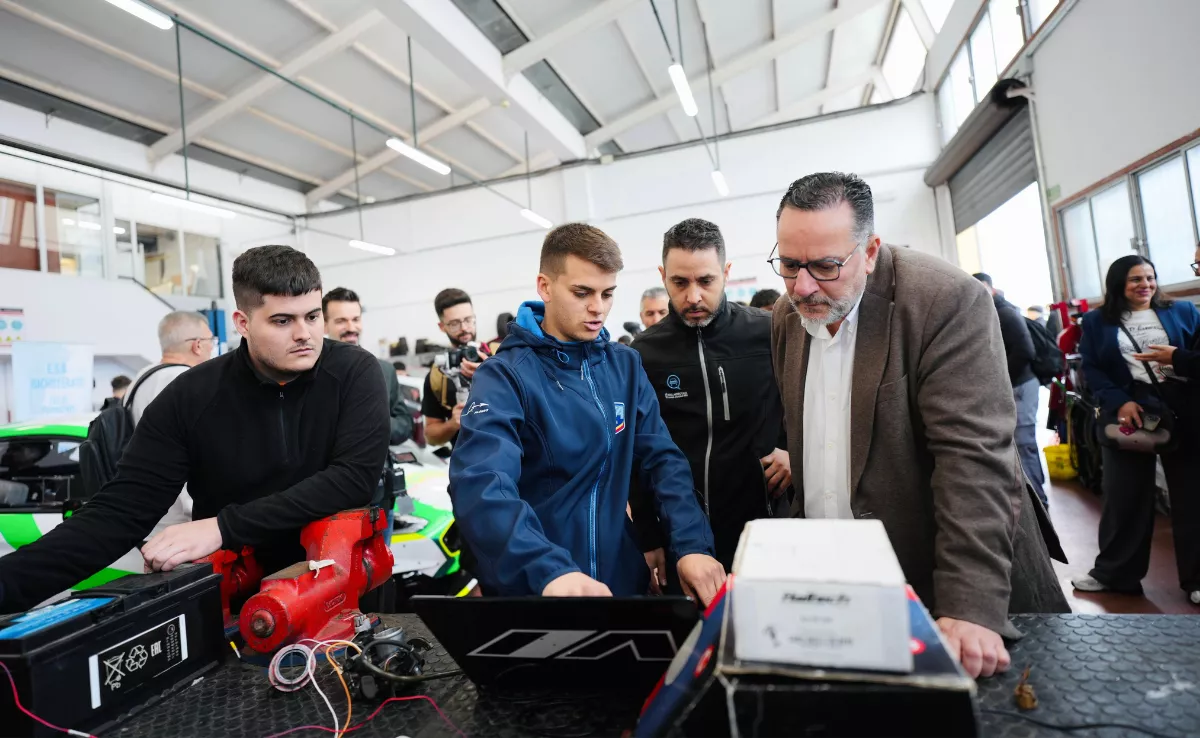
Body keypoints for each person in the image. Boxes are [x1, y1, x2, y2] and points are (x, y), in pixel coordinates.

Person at [769, 172, 1067, 678]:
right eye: (789, 264)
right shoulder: (788, 315)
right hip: (845, 588)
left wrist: (970, 607)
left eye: (824, 265)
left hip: (943, 584)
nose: (802, 285)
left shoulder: (944, 300)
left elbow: (972, 460)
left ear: (870, 250)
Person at [0, 245, 390, 613]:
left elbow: (351, 479)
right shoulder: (190, 396)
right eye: (282, 321)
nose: (305, 334)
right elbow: (118, 514)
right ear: (243, 323)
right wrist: (8, 585)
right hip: (233, 603)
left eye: (312, 316)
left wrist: (224, 527)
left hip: (344, 593)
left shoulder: (355, 372)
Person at [449, 223, 725, 604]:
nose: (598, 307)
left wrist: (693, 545)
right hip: (539, 593)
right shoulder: (505, 376)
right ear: (545, 286)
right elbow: (482, 484)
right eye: (583, 293)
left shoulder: (624, 367)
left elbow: (662, 461)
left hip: (620, 584)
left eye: (607, 293)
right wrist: (549, 571)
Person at [630, 218, 789, 581]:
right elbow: (635, 450)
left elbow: (807, 403)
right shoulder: (643, 354)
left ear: (726, 273)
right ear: (663, 274)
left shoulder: (767, 334)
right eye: (680, 283)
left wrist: (793, 450)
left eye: (706, 281)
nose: (693, 296)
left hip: (766, 526)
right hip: (681, 536)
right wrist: (647, 534)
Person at [1070, 255, 1200, 605]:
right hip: (1129, 413)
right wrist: (1118, 401)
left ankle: (1197, 579)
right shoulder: (1098, 321)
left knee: (1192, 498)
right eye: (1135, 279)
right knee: (1124, 496)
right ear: (1118, 285)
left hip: (1183, 411)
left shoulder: (1185, 312)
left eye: (1150, 277)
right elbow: (1092, 368)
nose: (1145, 285)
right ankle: (1116, 574)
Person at [128, 310, 216, 537]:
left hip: (148, 516)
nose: (211, 348)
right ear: (197, 345)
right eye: (210, 341)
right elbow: (197, 457)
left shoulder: (142, 377)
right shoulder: (188, 383)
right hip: (181, 526)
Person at [973, 273, 1048, 508]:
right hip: (1014, 387)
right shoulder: (990, 310)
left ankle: (1038, 504)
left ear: (988, 287)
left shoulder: (1005, 313)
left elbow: (1025, 351)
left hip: (1021, 387)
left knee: (1024, 444)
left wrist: (1001, 379)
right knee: (1016, 445)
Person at [322, 287, 413, 447]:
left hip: (378, 469)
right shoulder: (312, 371)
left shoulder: (385, 370)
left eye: (356, 319)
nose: (351, 328)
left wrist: (372, 419)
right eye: (341, 321)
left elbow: (404, 426)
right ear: (324, 325)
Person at [422, 289, 496, 449]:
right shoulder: (438, 374)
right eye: (455, 323)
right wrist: (452, 424)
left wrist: (492, 374)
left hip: (514, 459)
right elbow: (430, 435)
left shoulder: (501, 356)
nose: (464, 328)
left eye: (469, 320)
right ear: (442, 326)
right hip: (467, 464)